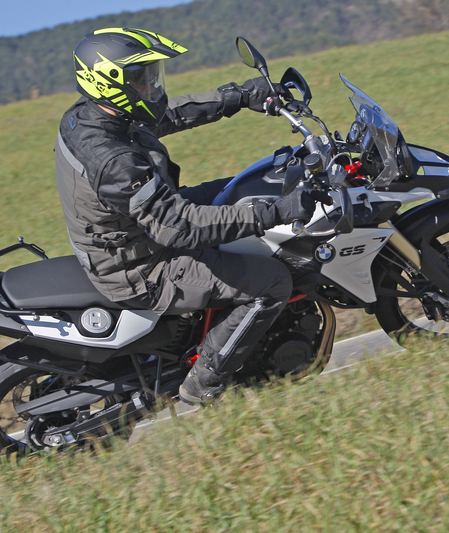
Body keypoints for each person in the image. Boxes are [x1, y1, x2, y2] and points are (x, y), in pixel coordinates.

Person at [55, 28, 320, 404]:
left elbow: (169, 115)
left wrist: (239, 96)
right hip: (141, 266)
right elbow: (178, 225)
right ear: (110, 82)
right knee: (272, 282)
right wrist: (276, 213)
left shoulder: (92, 117)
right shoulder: (113, 159)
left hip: (135, 233)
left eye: (152, 75)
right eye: (140, 79)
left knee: (248, 185)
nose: (151, 85)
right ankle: (204, 383)